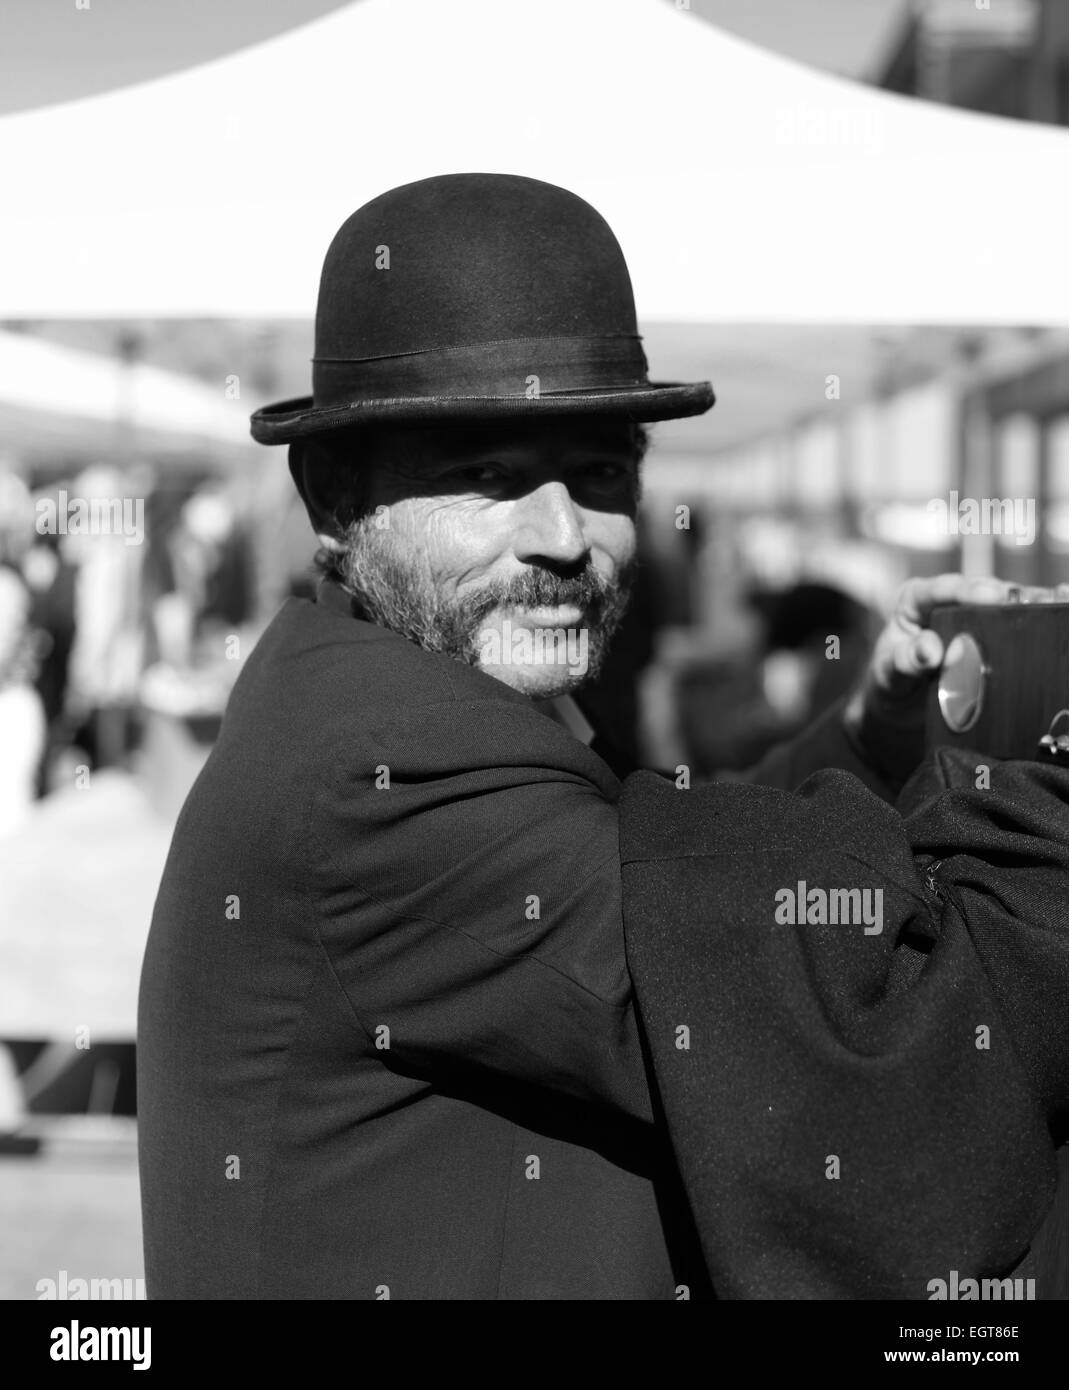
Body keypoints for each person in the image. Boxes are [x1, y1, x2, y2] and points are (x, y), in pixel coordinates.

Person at [138, 173, 1065, 1300]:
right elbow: (814, 973)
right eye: (484, 475)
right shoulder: (382, 762)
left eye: (601, 471)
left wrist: (873, 731)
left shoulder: (391, 682)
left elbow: (664, 856)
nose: (564, 536)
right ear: (335, 501)